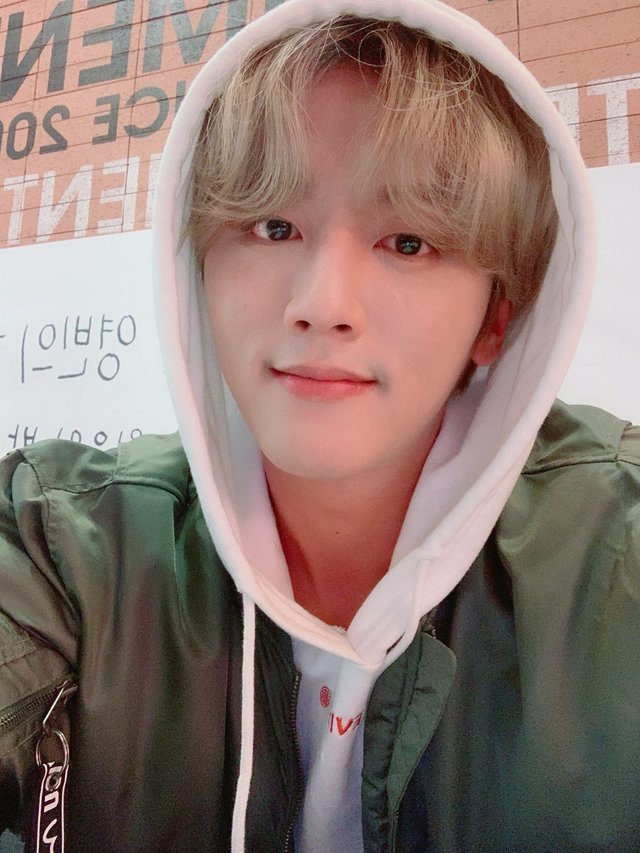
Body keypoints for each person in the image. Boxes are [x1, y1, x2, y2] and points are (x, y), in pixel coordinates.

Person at [1, 0, 639, 850]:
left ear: (496, 319)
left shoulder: (618, 557)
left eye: (408, 242)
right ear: (197, 269)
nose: (322, 303)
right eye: (273, 227)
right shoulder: (61, 543)